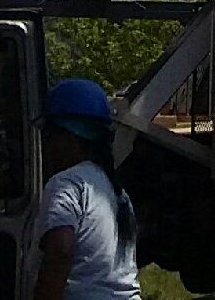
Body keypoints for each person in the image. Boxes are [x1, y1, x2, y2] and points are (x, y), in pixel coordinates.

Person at [30, 79, 140, 300]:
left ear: (68, 136)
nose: (46, 145)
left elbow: (60, 251)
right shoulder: (116, 192)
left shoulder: (67, 183)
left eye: (49, 135)